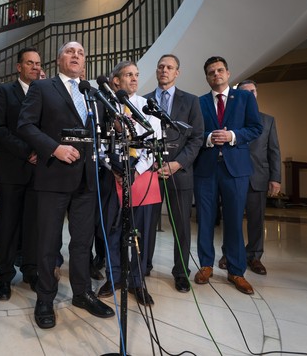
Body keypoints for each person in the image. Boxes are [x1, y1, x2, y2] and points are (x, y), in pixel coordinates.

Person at [18, 41, 115, 329]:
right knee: (49, 243)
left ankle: (82, 293)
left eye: (81, 53)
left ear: (84, 62)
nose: (76, 55)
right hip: (54, 176)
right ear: (59, 59)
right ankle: (45, 299)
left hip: (87, 179)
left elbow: (100, 131)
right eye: (70, 52)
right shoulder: (43, 87)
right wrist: (54, 148)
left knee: (82, 242)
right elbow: (25, 125)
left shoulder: (94, 93)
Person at [193, 56, 262, 295]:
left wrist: (232, 136)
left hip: (236, 170)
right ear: (207, 77)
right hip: (206, 169)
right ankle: (205, 265)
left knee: (233, 220)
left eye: (220, 70)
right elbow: (193, 134)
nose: (216, 75)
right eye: (211, 72)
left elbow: (256, 128)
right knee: (205, 219)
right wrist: (210, 138)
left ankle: (236, 271)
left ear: (228, 73)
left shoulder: (244, 98)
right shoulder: (199, 102)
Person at [97, 61, 161, 306]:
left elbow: (154, 145)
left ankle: (137, 280)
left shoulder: (147, 106)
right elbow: (100, 144)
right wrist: (113, 167)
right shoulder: (106, 107)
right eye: (128, 75)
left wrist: (135, 170)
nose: (134, 79)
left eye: (136, 75)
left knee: (141, 233)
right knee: (114, 231)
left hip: (141, 178)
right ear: (116, 81)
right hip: (113, 178)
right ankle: (114, 276)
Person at [144, 54, 204, 293]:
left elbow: (197, 137)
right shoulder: (144, 100)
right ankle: (143, 265)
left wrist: (177, 164)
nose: (164, 70)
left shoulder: (191, 101)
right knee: (147, 223)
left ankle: (181, 272)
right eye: (160, 67)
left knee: (181, 225)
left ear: (177, 72)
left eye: (169, 67)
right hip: (150, 173)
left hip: (179, 172)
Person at [0, 47, 41, 300]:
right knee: (9, 226)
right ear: (18, 67)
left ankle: (31, 271)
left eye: (38, 63)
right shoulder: (4, 91)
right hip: (12, 168)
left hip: (38, 171)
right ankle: (5, 276)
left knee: (33, 226)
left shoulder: (44, 92)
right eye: (29, 63)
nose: (34, 67)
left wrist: (40, 152)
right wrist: (27, 151)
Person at [218, 80, 281, 275]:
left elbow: (274, 151)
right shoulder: (231, 118)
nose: (249, 95)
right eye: (244, 92)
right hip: (234, 175)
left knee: (256, 220)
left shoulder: (268, 120)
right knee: (231, 218)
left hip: (257, 177)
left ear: (256, 93)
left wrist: (275, 178)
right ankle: (229, 254)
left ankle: (254, 256)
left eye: (252, 91)